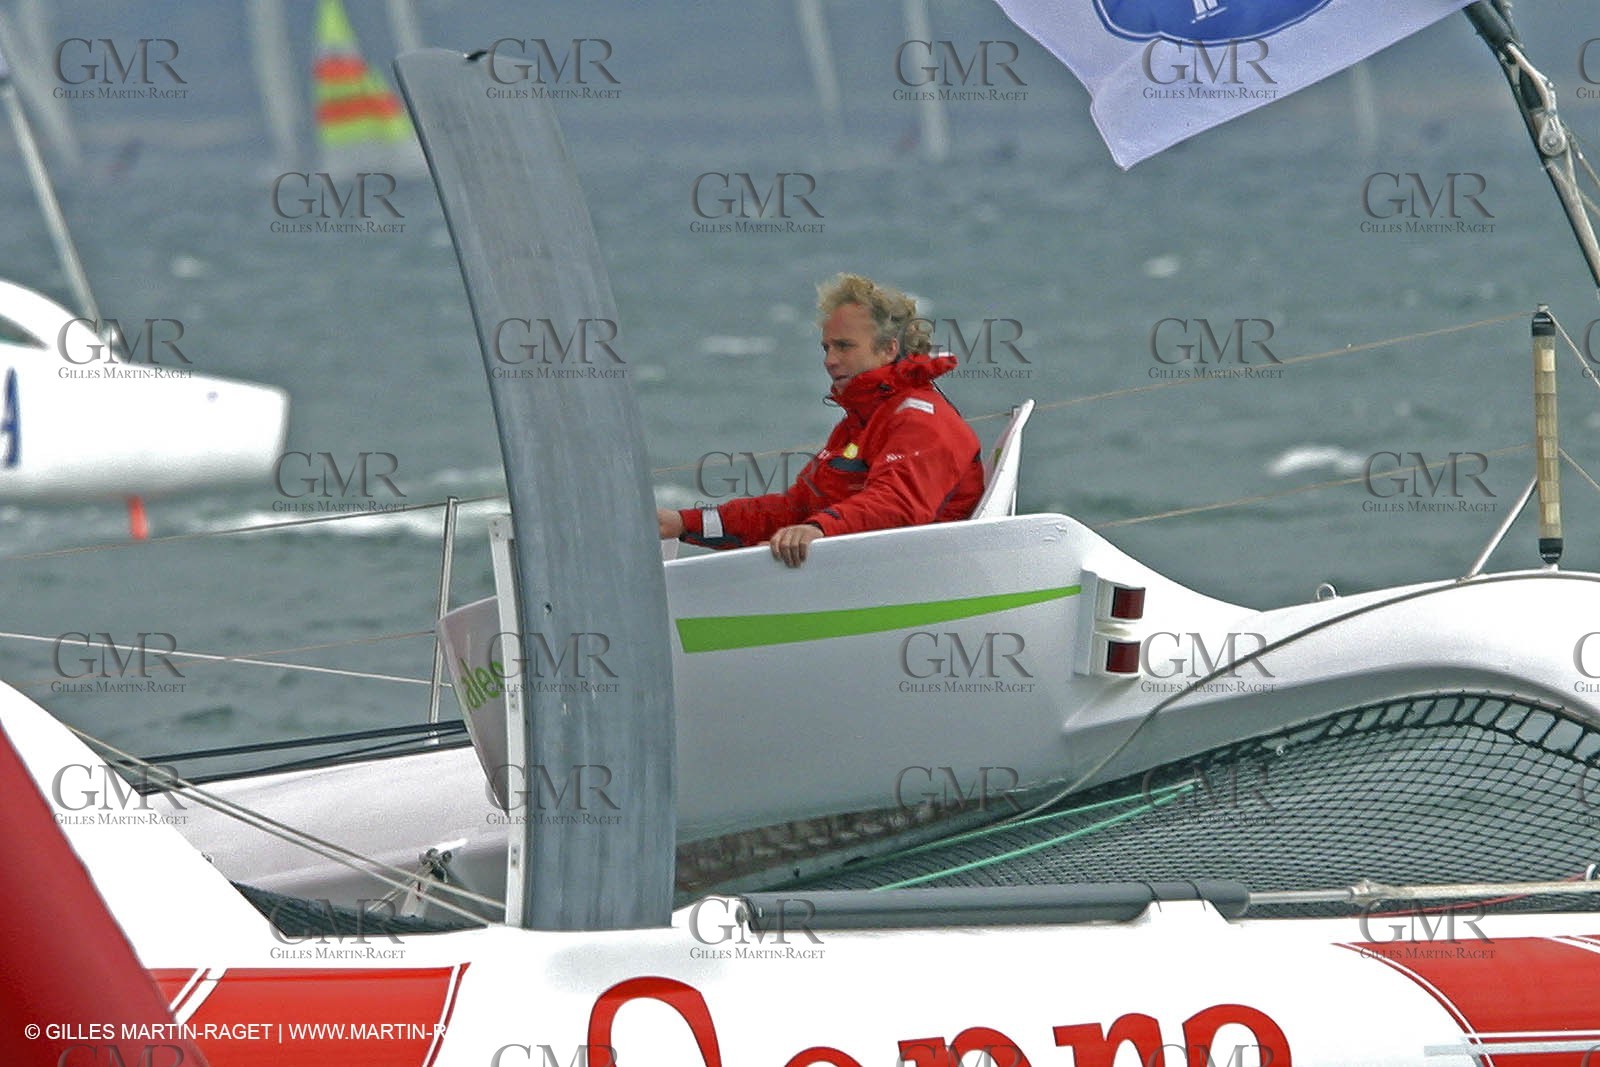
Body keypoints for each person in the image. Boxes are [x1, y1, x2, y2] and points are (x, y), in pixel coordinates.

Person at [657, 273, 985, 567]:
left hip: (911, 579)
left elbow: (898, 504)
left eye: (844, 346)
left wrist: (818, 529)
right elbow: (794, 508)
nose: (829, 360)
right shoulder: (859, 424)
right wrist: (684, 522)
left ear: (888, 349)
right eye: (826, 347)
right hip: (866, 572)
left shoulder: (920, 420)